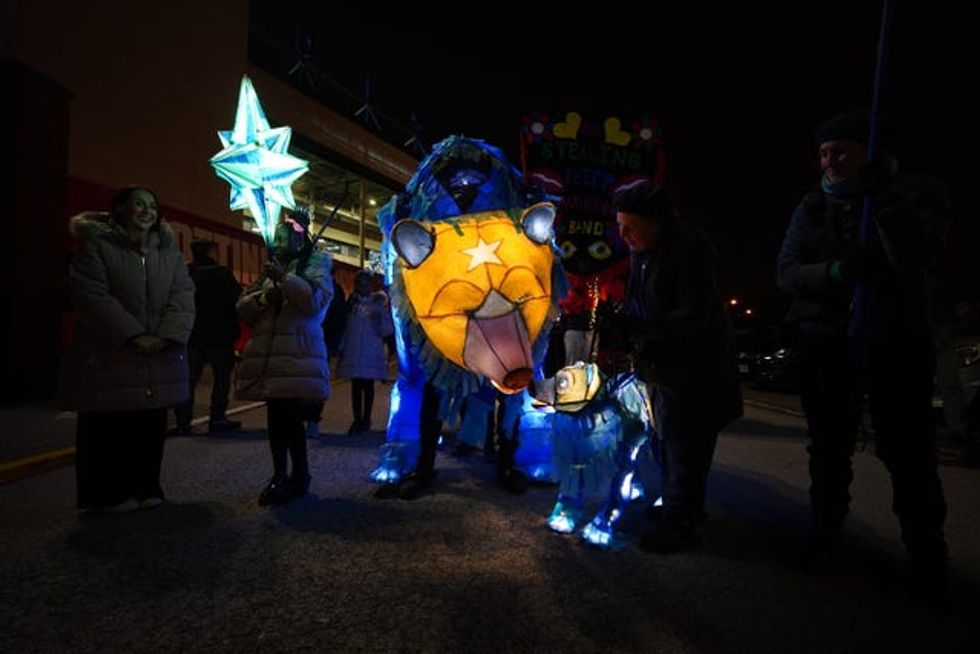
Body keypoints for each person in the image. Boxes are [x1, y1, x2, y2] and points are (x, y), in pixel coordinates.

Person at [777, 110, 951, 599]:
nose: (832, 161)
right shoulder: (810, 207)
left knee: (908, 451)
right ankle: (823, 536)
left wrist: (886, 200)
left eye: (843, 151)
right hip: (826, 346)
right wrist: (833, 272)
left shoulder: (917, 193)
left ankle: (927, 557)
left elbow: (919, 259)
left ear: (869, 151)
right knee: (828, 450)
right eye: (825, 153)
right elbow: (787, 271)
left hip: (895, 343)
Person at [614, 181, 742, 553]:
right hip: (664, 364)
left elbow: (693, 316)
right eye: (619, 226)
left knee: (685, 442)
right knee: (666, 441)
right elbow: (642, 303)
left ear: (658, 222)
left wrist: (642, 328)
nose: (623, 235)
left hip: (695, 368)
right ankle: (680, 508)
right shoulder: (644, 251)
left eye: (631, 227)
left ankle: (681, 522)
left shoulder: (689, 250)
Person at [60, 186, 194, 512]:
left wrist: (164, 336)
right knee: (109, 424)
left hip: (157, 354)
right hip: (111, 352)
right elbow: (92, 297)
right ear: (121, 209)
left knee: (150, 423)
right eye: (139, 204)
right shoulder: (97, 247)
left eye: (152, 205)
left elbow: (183, 297)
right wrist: (134, 335)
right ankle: (107, 495)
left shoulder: (170, 255)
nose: (147, 211)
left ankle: (147, 486)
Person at [235, 211, 334, 506]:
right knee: (275, 419)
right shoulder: (270, 269)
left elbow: (314, 304)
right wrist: (266, 297)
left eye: (283, 236)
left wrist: (286, 280)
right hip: (271, 352)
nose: (277, 242)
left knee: (290, 418)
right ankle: (279, 474)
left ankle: (299, 476)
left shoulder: (317, 264)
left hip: (297, 351)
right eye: (275, 237)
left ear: (299, 236)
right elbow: (243, 307)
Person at [174, 239, 241, 434]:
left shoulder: (186, 273)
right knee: (221, 379)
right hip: (220, 336)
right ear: (212, 252)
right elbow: (237, 300)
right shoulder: (222, 274)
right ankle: (217, 418)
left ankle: (183, 421)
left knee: (188, 380)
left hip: (193, 335)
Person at [336, 269, 394, 435]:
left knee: (367, 386)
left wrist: (379, 318)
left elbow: (387, 329)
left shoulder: (378, 304)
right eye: (359, 282)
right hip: (354, 349)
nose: (362, 286)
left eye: (365, 282)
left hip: (370, 350)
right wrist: (342, 347)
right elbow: (344, 328)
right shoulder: (350, 304)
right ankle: (357, 419)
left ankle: (366, 419)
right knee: (356, 386)